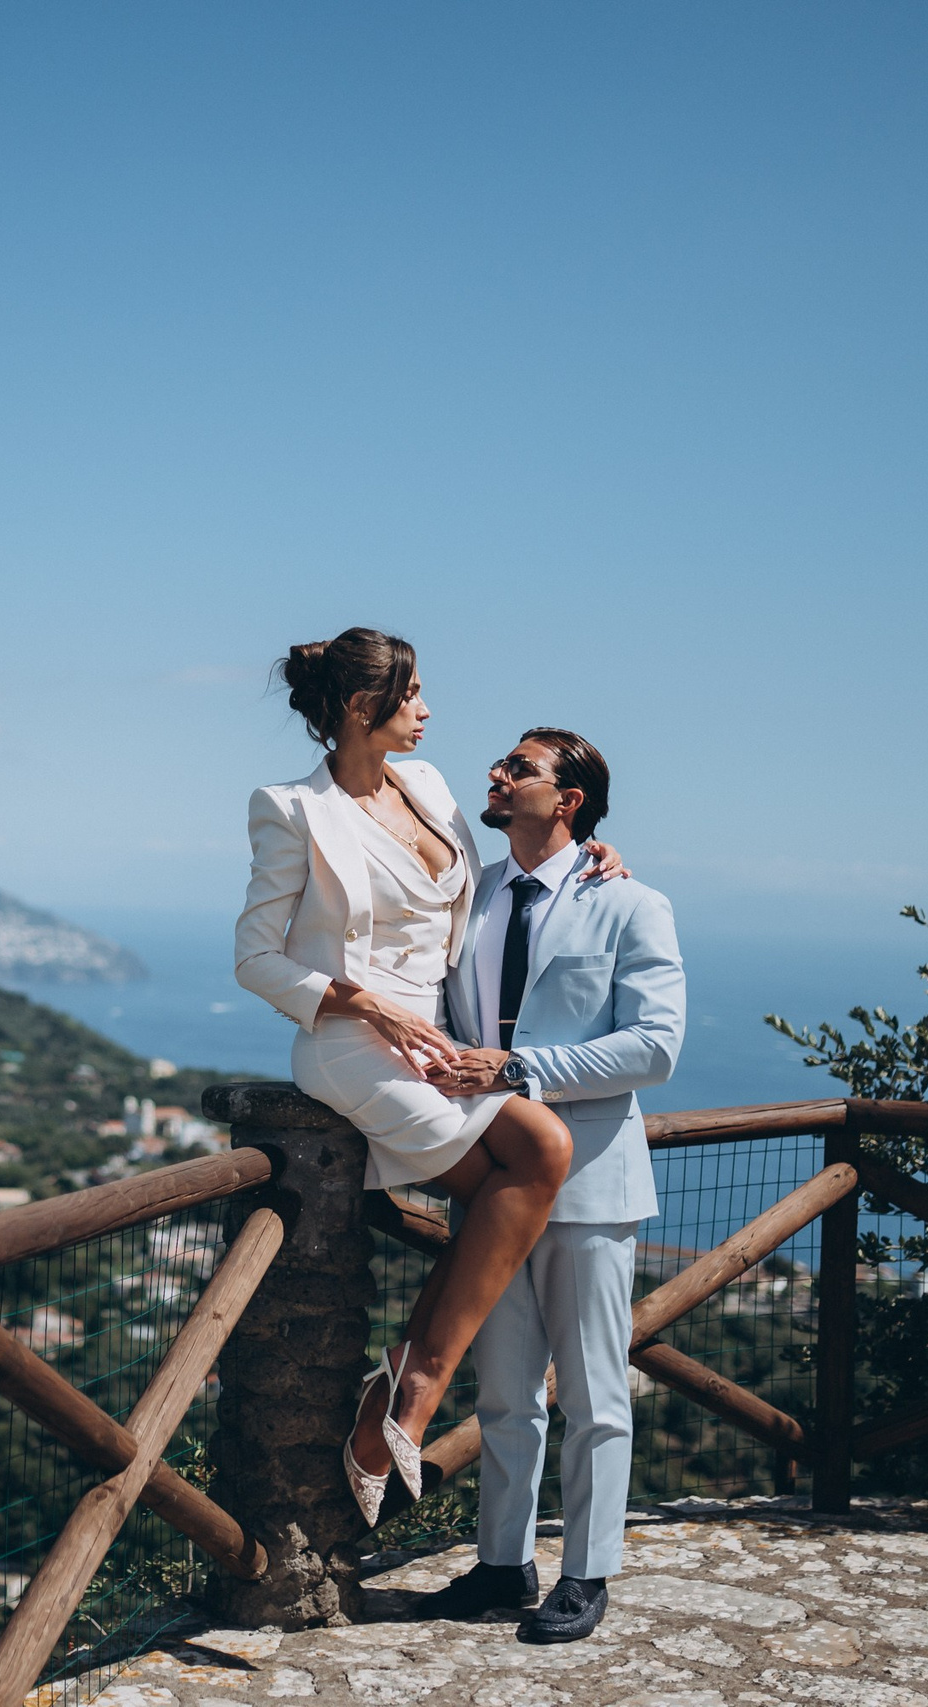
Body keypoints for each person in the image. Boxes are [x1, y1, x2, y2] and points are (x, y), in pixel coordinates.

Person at [233, 628, 626, 1530]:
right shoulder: (290, 808)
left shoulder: (434, 785)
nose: (428, 710)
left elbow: (490, 886)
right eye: (412, 694)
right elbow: (255, 959)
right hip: (350, 1038)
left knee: (518, 1170)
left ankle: (395, 1395)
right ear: (365, 708)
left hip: (438, 1039)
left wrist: (591, 852)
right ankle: (411, 1394)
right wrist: (366, 1006)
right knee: (534, 1153)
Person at [411, 727, 684, 1644]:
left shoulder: (632, 903)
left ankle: (588, 1570)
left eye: (519, 767)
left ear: (567, 800)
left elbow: (656, 1045)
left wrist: (517, 1068)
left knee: (597, 1395)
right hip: (493, 1181)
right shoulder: (472, 894)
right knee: (505, 1391)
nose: (495, 774)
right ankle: (501, 1563)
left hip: (594, 1184)